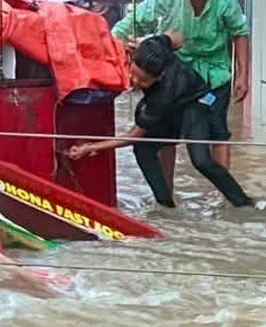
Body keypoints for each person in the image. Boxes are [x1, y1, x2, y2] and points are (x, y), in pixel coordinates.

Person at [66, 34, 256, 210]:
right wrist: (140, 43)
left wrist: (91, 148)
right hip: (174, 105)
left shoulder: (162, 97)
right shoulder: (153, 46)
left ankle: (243, 202)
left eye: (143, 81)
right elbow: (177, 38)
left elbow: (133, 136)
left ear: (158, 77)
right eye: (133, 73)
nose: (134, 81)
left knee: (201, 160)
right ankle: (165, 205)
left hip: (196, 103)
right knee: (144, 149)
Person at [111, 0, 248, 189]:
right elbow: (137, 19)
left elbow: (239, 32)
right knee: (167, 135)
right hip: (175, 73)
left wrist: (243, 74)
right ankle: (167, 195)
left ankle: (224, 196)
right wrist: (115, 41)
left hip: (214, 72)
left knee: (218, 133)